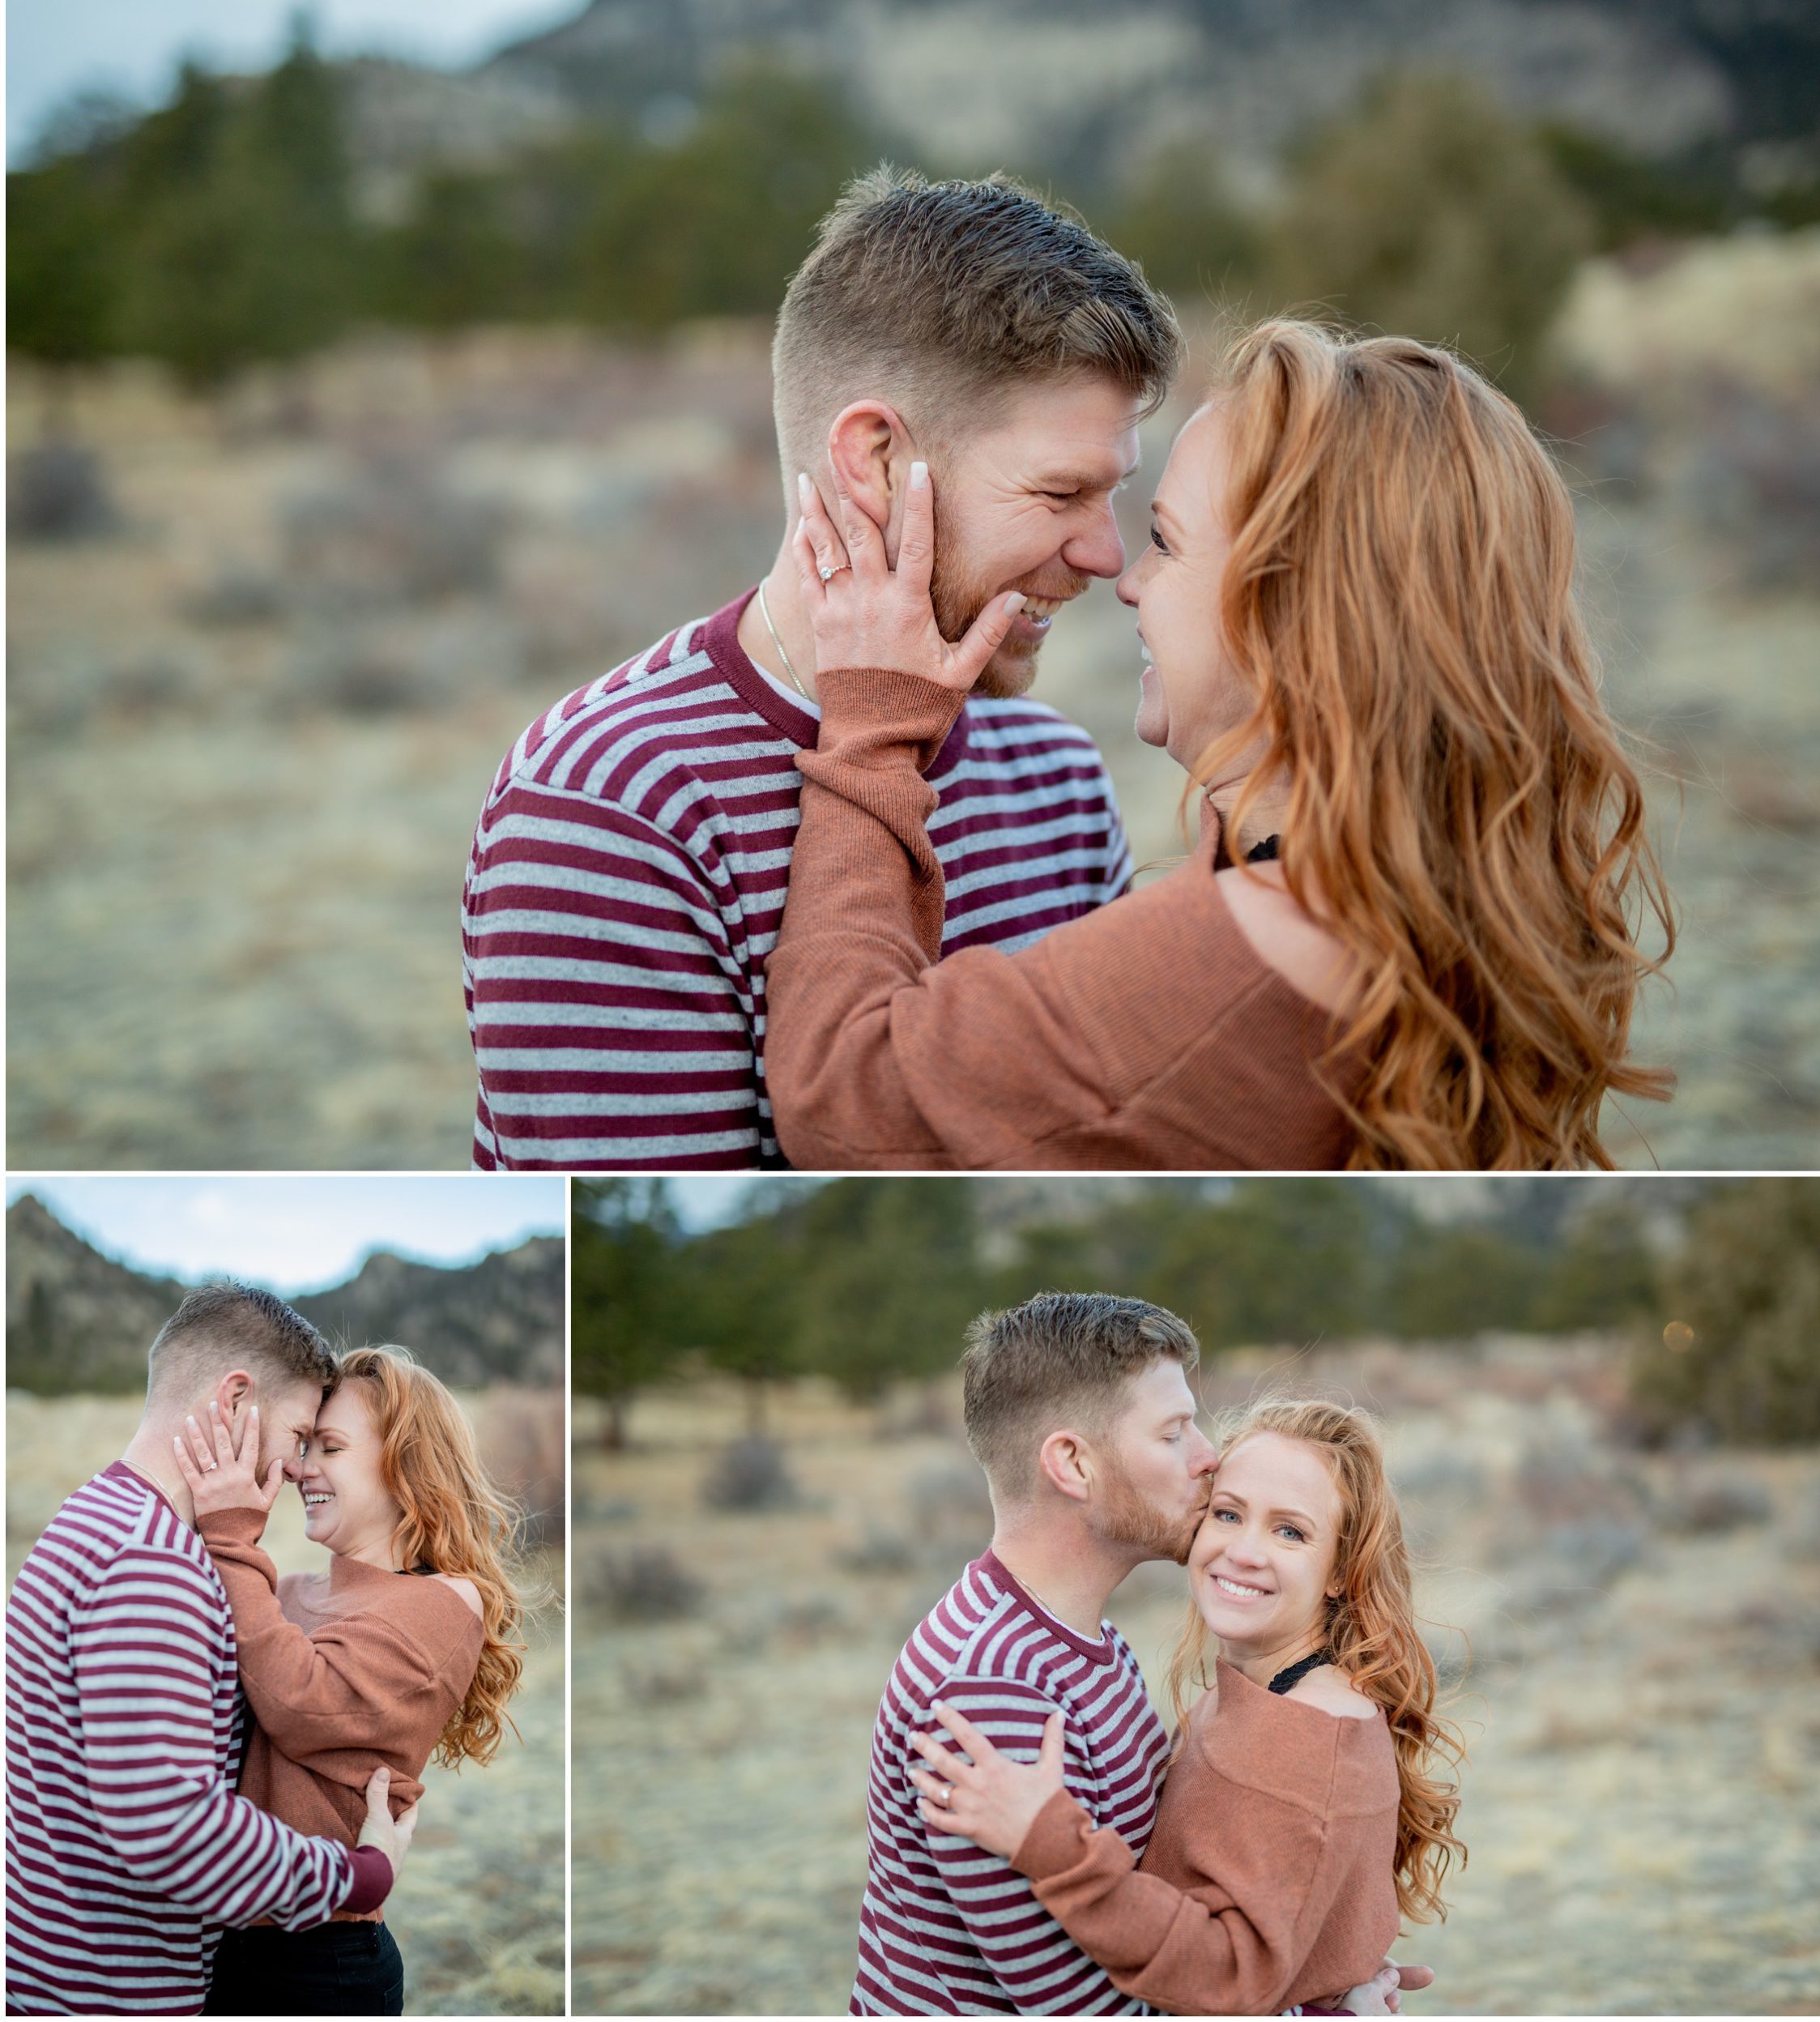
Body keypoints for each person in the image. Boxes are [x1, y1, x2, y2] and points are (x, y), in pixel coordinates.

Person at [764, 318, 1677, 1171]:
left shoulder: (1250, 953)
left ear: (1292, 615)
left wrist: (873, 727)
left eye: (1162, 540)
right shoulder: (1441, 883)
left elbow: (840, 1097)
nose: (1123, 577)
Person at [462, 168, 1182, 1170]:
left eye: (1113, 492)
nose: (1106, 554)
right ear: (874, 459)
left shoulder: (1054, 775)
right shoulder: (608, 806)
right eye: (1060, 491)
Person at [850, 1295, 1428, 2018]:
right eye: (1172, 1433)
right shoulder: (991, 1692)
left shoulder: (1091, 1645)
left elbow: (1175, 1888)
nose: (1207, 1457)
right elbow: (1084, 2009)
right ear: (1071, 1464)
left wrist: (1314, 1957)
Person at [4, 1286, 416, 2017]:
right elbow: (169, 1825)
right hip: (113, 1996)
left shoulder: (91, 1515)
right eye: (296, 1436)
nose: (296, 1469)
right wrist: (357, 1876)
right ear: (234, 1400)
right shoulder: (152, 1562)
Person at [171, 1345, 526, 2017]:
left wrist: (231, 1538)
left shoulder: (444, 1605)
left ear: (405, 1465)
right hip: (229, 1941)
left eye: (329, 1448)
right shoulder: (289, 1589)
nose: (302, 1468)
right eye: (305, 1445)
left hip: (319, 1960)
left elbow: (301, 1702)